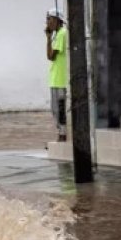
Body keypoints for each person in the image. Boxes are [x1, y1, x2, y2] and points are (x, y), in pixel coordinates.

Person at [45, 9, 69, 142]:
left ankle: (63, 134)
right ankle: (61, 132)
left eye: (50, 19)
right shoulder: (59, 34)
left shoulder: (61, 34)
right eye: (47, 19)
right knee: (55, 109)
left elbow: (50, 56)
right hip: (56, 79)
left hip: (60, 79)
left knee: (59, 108)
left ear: (57, 20)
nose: (48, 22)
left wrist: (48, 38)